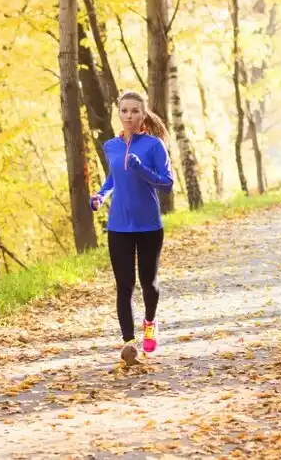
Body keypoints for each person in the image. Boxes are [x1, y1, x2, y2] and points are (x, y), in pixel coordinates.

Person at [90, 91, 174, 365]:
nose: (129, 116)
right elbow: (113, 178)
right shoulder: (111, 146)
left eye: (134, 111)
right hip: (118, 226)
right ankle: (128, 343)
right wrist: (101, 196)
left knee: (148, 283)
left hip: (149, 224)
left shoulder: (154, 146)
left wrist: (141, 170)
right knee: (124, 285)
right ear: (119, 114)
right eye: (124, 111)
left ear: (143, 114)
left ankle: (150, 322)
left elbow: (167, 183)